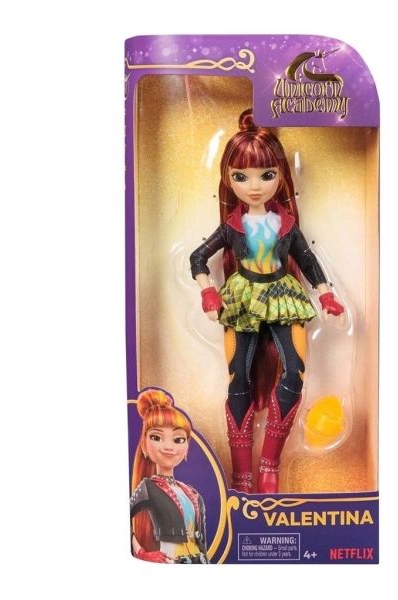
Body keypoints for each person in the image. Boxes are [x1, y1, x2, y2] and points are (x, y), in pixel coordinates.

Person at [189, 109, 344, 494]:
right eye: (241, 177)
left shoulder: (286, 224)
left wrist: (326, 294)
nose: (255, 186)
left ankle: (270, 464)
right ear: (228, 179)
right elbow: (197, 257)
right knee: (238, 377)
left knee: (294, 372)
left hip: (283, 296)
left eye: (267, 175)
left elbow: (307, 260)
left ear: (281, 175)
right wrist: (208, 290)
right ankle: (241, 474)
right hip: (242, 297)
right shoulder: (232, 226)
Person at [130, 388, 208, 564]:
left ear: (186, 447)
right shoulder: (148, 487)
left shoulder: (193, 493)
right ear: (144, 445)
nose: (168, 447)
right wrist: (141, 552)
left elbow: (202, 540)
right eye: (156, 437)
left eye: (178, 439)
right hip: (171, 561)